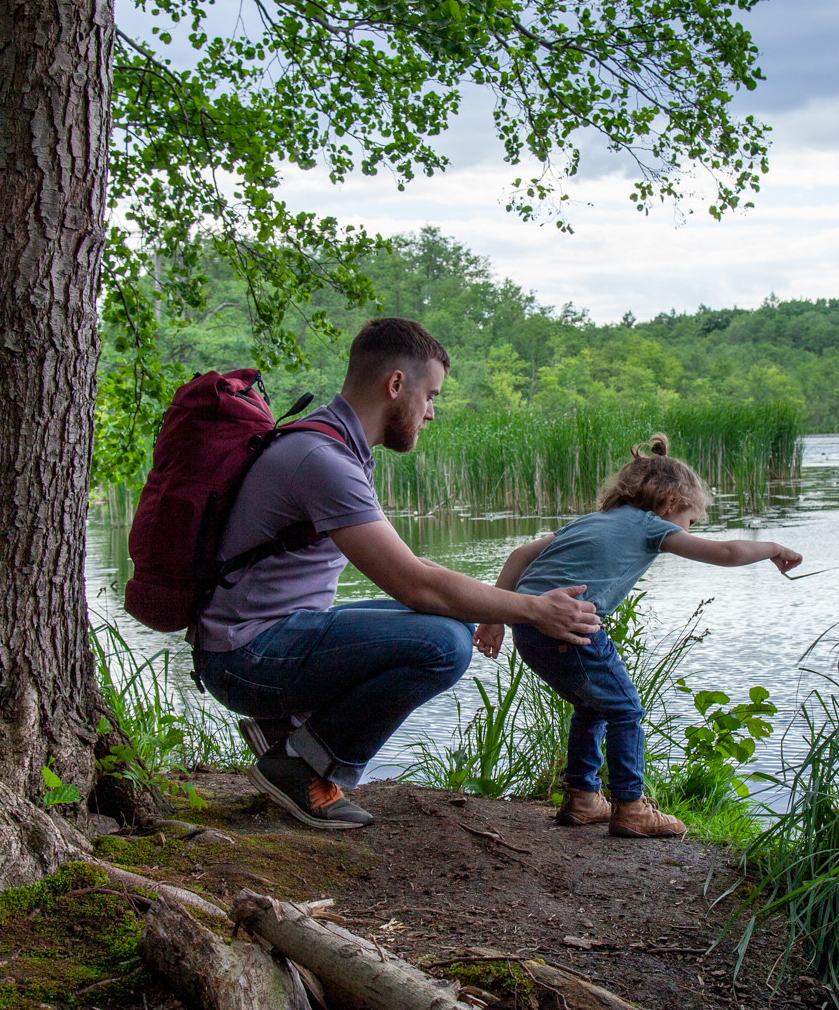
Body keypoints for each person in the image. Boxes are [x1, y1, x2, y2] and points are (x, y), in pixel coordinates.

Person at [193, 318, 601, 831]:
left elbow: (418, 567)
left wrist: (494, 604)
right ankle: (304, 767)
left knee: (450, 625)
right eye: (430, 395)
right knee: (440, 645)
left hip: (259, 643)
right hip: (247, 657)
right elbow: (415, 584)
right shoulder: (322, 458)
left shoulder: (335, 446)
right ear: (395, 385)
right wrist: (535, 610)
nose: (431, 412)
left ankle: (286, 734)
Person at [474, 435, 803, 839]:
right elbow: (727, 553)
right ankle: (630, 806)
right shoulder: (651, 525)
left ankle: (582, 798)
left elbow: (520, 555)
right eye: (692, 519)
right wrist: (774, 547)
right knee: (626, 708)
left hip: (529, 627)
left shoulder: (589, 521)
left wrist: (493, 619)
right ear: (670, 503)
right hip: (572, 629)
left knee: (593, 704)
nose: (691, 527)